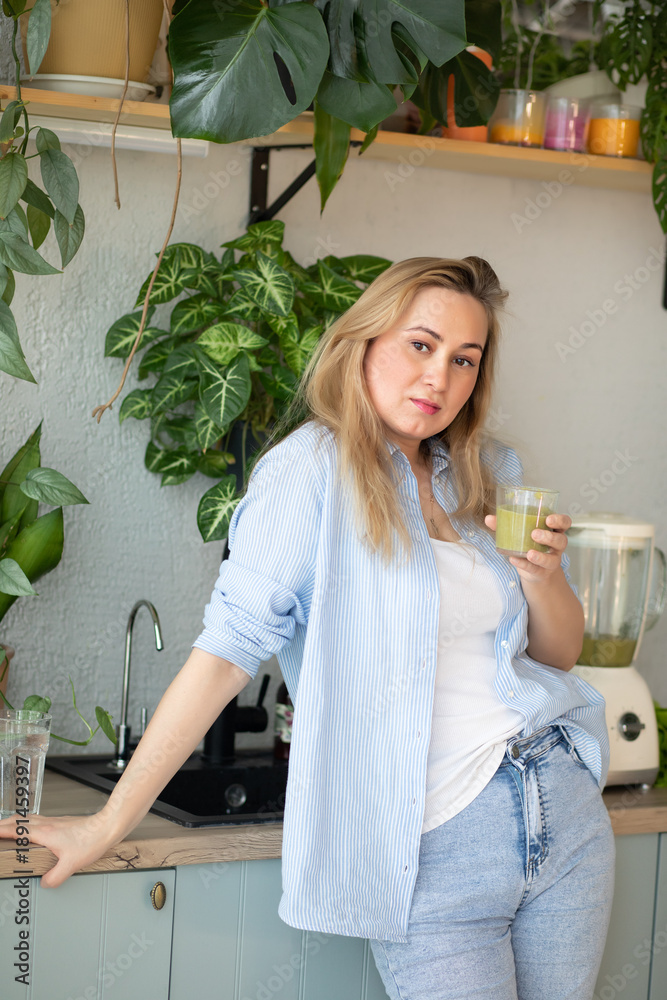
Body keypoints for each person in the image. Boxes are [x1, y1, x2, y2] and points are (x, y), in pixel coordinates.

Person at [0, 257, 614, 1000]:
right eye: (420, 345)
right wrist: (106, 823)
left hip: (560, 802)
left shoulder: (487, 471)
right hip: (436, 840)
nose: (439, 378)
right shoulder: (308, 471)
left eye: (464, 359)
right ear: (364, 341)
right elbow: (224, 656)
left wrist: (542, 577)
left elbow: (557, 655)